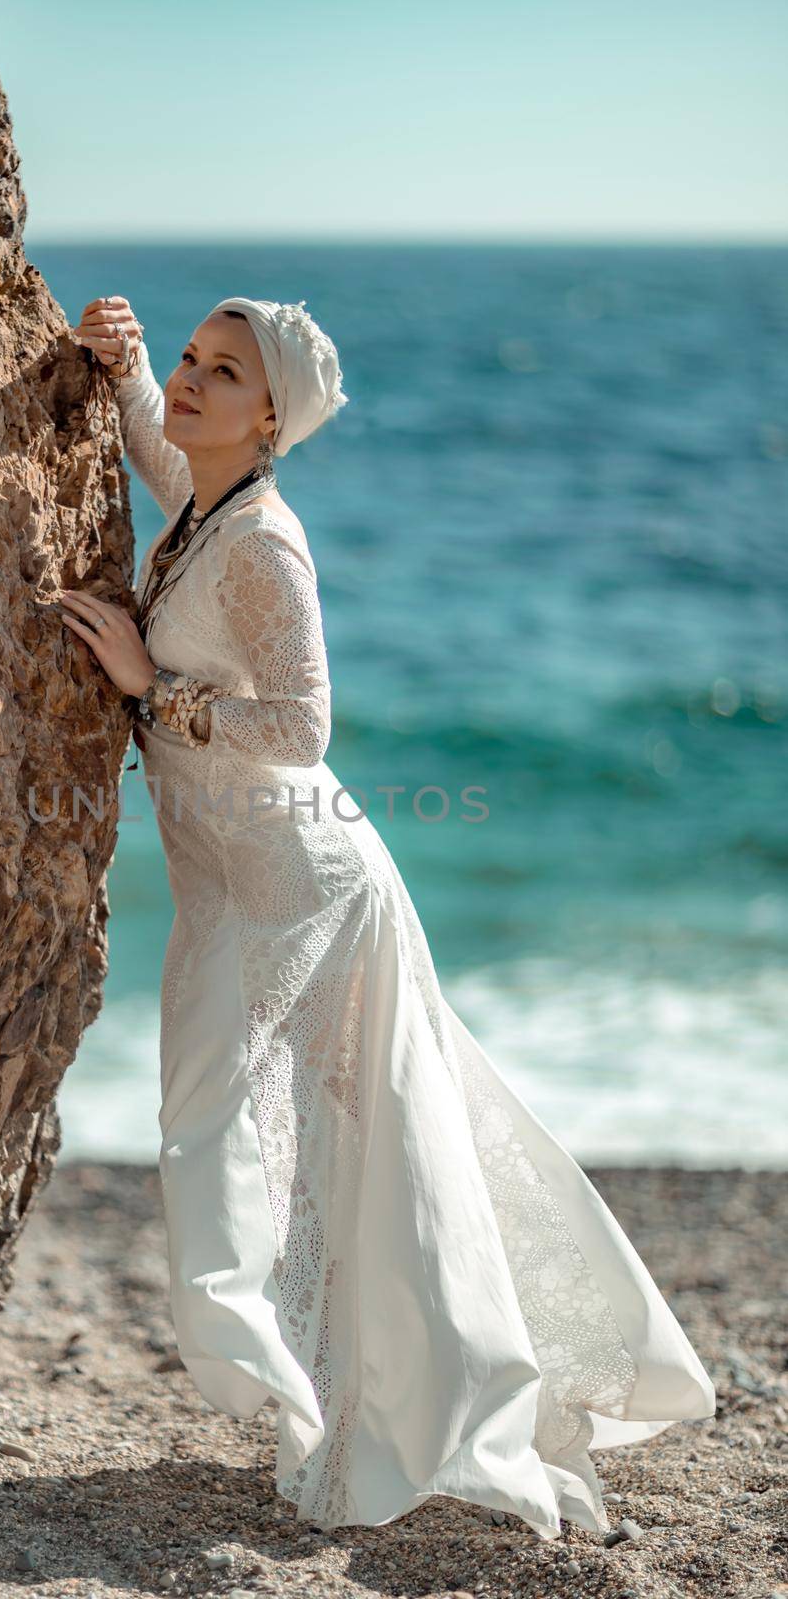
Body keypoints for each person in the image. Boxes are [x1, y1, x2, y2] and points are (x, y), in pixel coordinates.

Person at [59, 293, 716, 1537]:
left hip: (303, 892)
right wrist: (135, 367)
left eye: (221, 373)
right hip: (237, 888)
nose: (194, 384)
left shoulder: (263, 543)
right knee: (299, 1147)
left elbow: (302, 728)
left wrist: (155, 691)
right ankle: (343, 1393)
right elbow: (158, 452)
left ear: (271, 424)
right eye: (195, 360)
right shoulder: (207, 508)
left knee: (287, 1143)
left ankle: (387, 1403)